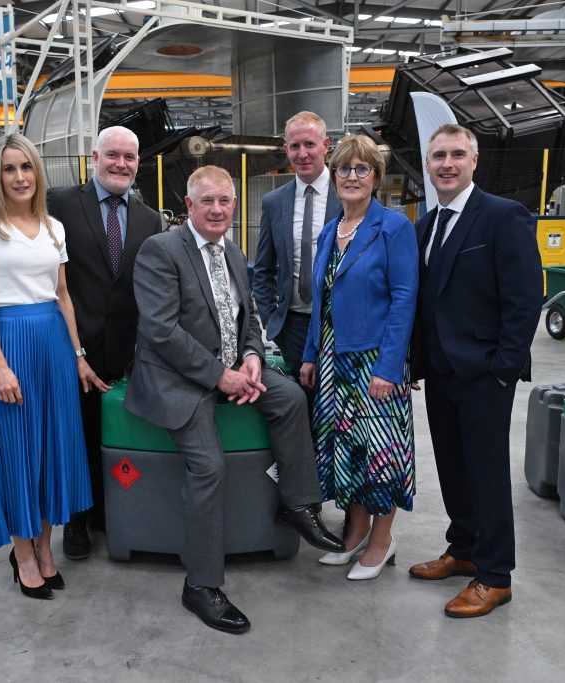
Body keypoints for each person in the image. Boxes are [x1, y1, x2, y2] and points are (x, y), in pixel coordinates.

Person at [125, 165, 344, 634]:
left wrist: (249, 356)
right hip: (178, 377)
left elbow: (249, 318)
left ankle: (298, 503)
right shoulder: (161, 251)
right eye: (208, 201)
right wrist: (219, 376)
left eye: (226, 201)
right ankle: (201, 585)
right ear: (189, 206)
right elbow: (160, 330)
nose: (219, 209)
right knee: (209, 466)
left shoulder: (232, 252)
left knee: (290, 399)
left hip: (231, 366)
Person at [0, 133, 103, 599]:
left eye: (26, 167)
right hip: (11, 342)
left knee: (48, 453)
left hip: (53, 346)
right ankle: (22, 556)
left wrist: (78, 355)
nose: (19, 177)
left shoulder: (53, 227)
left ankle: (46, 550)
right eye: (8, 169)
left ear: (38, 173)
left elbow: (63, 296)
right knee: (18, 453)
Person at [408, 124, 542, 618]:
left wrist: (503, 369)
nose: (447, 163)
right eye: (439, 155)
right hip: (442, 372)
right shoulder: (425, 225)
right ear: (428, 163)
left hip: (485, 373)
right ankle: (463, 548)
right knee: (452, 468)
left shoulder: (502, 217)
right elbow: (425, 301)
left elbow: (525, 299)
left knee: (485, 473)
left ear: (474, 162)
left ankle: (495, 575)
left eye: (457, 155)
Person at [299, 135, 419, 581]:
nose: (352, 177)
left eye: (361, 169)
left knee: (380, 452)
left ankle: (383, 542)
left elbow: (405, 298)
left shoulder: (393, 227)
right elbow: (322, 302)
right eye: (344, 169)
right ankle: (355, 533)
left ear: (376, 177)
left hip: (375, 361)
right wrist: (311, 355)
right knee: (347, 448)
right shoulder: (331, 230)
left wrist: (389, 367)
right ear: (333, 178)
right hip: (333, 358)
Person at [48, 126, 163, 560]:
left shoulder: (150, 219)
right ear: (94, 156)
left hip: (124, 353)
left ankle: (107, 511)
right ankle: (76, 519)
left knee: (110, 437)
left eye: (130, 158)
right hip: (71, 348)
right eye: (112, 155)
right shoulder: (60, 204)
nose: (121, 164)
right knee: (74, 436)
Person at [253, 111, 341, 380]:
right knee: (301, 405)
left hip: (338, 325)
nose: (302, 153)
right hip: (293, 327)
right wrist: (270, 319)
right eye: (295, 146)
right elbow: (263, 269)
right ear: (286, 150)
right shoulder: (274, 202)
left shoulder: (348, 195)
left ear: (325, 146)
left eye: (310, 144)